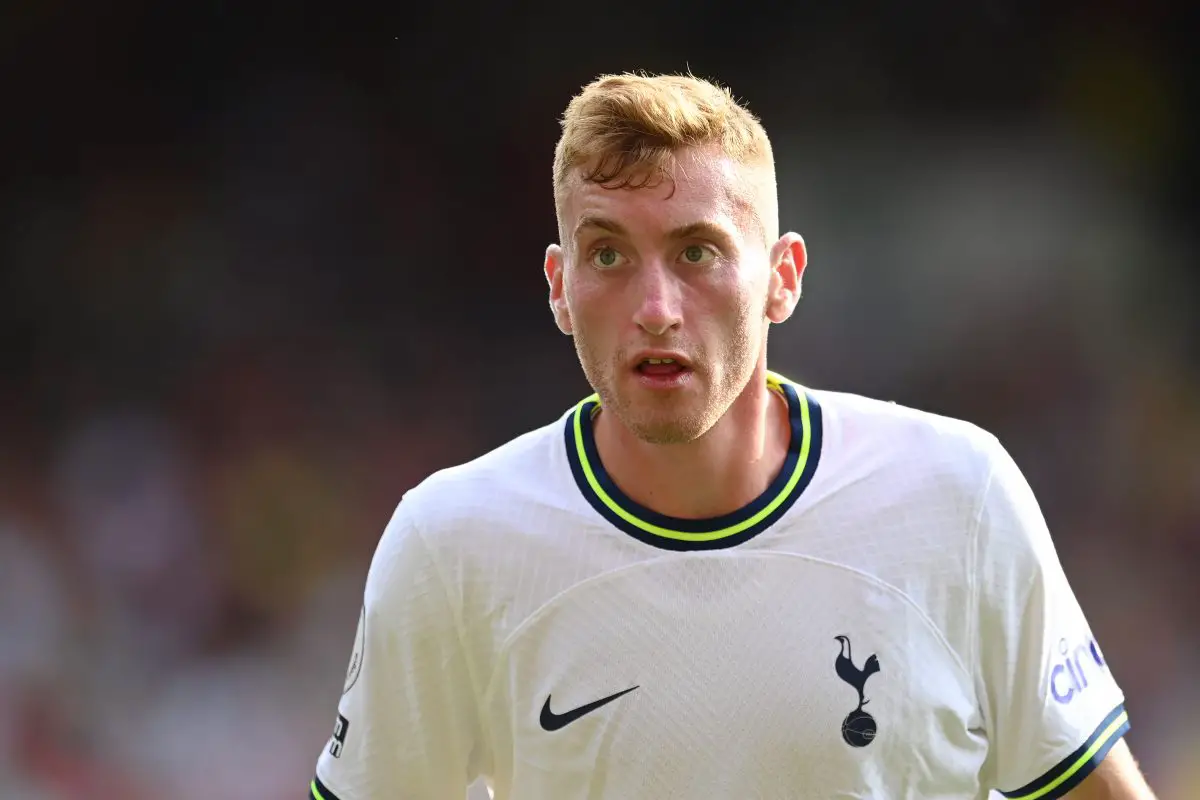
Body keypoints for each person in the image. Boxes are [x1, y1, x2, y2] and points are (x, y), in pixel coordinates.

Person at [307, 72, 1157, 799]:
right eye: (607, 255)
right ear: (559, 287)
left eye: (697, 252)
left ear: (781, 279)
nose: (655, 310)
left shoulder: (958, 492)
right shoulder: (450, 543)